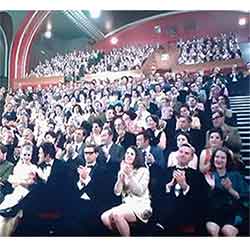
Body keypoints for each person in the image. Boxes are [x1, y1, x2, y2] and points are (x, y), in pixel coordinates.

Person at [152, 144, 209, 234]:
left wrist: (185, 187)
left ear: (191, 158)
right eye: (181, 152)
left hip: (186, 216)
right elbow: (157, 195)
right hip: (166, 216)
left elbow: (201, 199)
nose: (183, 154)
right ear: (177, 154)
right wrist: (168, 187)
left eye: (186, 153)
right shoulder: (166, 172)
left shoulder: (197, 176)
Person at [101, 146, 152, 236]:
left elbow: (139, 191)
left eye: (132, 154)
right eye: (127, 153)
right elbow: (117, 192)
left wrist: (130, 175)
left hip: (140, 205)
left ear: (136, 157)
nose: (128, 155)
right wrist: (120, 179)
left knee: (117, 215)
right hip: (127, 204)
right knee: (104, 217)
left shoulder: (143, 171)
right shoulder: (122, 170)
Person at [206, 147, 249, 236]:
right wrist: (211, 188)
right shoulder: (209, 175)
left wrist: (230, 189)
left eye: (223, 158)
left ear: (227, 160)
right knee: (212, 229)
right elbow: (203, 199)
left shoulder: (235, 175)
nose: (219, 160)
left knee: (227, 231)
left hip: (233, 212)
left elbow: (244, 197)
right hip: (214, 212)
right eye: (217, 157)